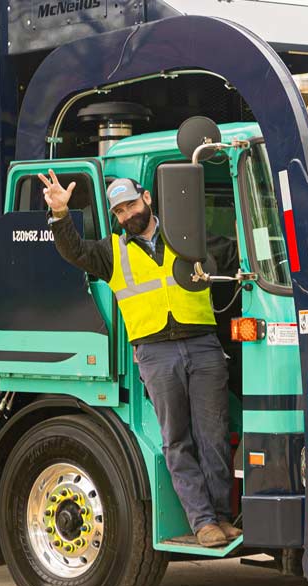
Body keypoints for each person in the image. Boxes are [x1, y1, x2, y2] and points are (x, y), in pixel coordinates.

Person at [39, 169, 241, 548]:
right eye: (118, 212)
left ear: (147, 198)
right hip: (155, 353)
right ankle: (203, 522)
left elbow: (232, 254)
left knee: (213, 435)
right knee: (176, 440)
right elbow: (73, 251)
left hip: (203, 344)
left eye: (130, 205)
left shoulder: (188, 237)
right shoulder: (110, 252)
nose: (126, 215)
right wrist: (61, 215)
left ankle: (223, 517)